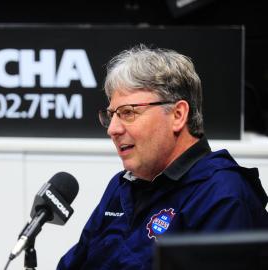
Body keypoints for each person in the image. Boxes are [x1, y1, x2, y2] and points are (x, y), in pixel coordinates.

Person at [57, 44, 268, 270]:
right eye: (111, 115)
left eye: (128, 112)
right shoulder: (121, 187)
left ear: (177, 115)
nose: (113, 129)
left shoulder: (223, 196)